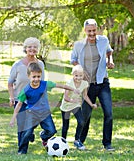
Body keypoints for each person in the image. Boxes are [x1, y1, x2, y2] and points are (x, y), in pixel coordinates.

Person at [9, 62, 79, 154]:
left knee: (52, 130)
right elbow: (19, 105)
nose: (36, 79)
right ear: (28, 76)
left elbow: (60, 85)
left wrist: (73, 89)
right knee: (26, 133)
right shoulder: (25, 90)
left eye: (38, 76)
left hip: (45, 114)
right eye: (34, 77)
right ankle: (22, 151)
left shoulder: (45, 84)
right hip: (32, 114)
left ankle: (43, 136)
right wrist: (13, 118)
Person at [70, 18, 115, 151]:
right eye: (89, 31)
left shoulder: (103, 40)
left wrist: (110, 61)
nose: (91, 33)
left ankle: (107, 144)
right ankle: (79, 141)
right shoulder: (78, 45)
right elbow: (73, 60)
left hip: (102, 82)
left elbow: (109, 51)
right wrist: (80, 71)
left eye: (94, 30)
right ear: (85, 30)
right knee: (86, 114)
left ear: (97, 30)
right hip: (87, 86)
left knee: (109, 113)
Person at [8, 37, 45, 149]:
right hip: (20, 99)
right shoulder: (18, 65)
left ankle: (30, 134)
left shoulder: (40, 65)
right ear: (25, 48)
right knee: (21, 125)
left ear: (37, 49)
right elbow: (10, 83)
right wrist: (11, 97)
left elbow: (42, 83)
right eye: (29, 47)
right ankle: (22, 148)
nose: (32, 49)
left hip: (34, 100)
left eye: (34, 47)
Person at [60, 65, 97, 150]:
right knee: (65, 126)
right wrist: (73, 101)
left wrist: (91, 104)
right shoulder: (69, 83)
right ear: (73, 75)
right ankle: (63, 142)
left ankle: (77, 140)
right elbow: (65, 98)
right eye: (76, 75)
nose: (78, 78)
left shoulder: (84, 84)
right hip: (66, 106)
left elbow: (85, 95)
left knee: (81, 121)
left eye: (80, 76)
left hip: (76, 106)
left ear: (83, 75)